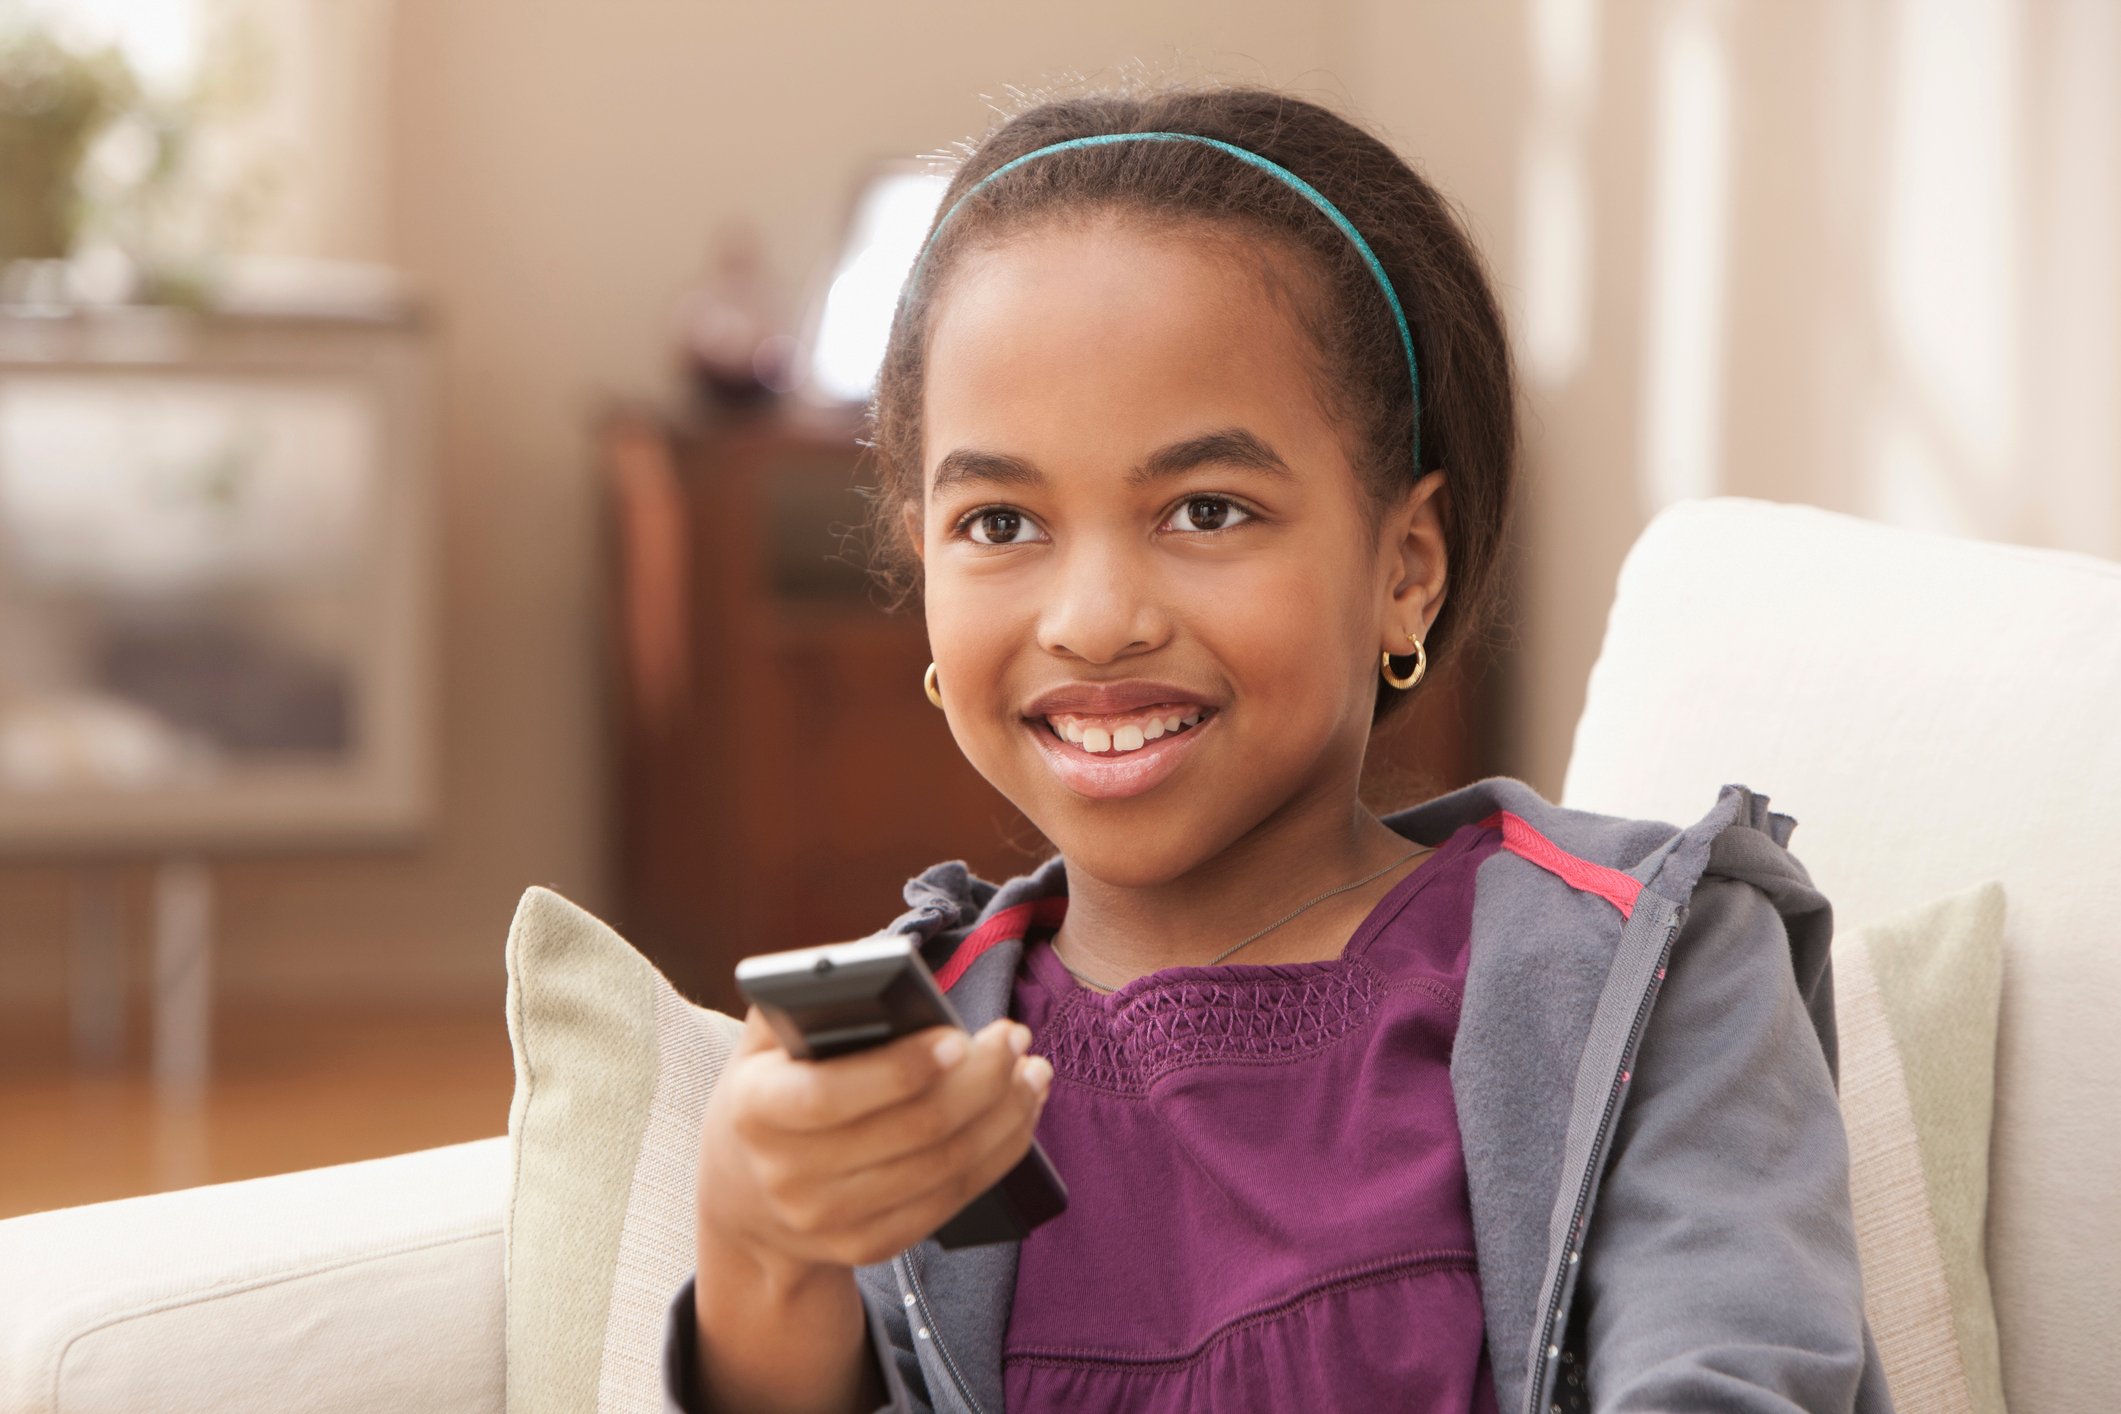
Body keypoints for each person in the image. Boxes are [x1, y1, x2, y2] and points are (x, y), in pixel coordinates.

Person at [662, 83, 1892, 1414]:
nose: (1092, 621)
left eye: (1205, 507)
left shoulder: (1650, 963)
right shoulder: (910, 1065)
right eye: (1000, 524)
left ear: (1404, 568)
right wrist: (758, 1252)